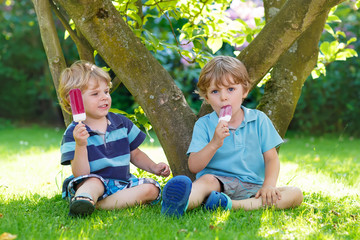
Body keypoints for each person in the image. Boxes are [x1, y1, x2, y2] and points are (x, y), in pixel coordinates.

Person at [161, 56, 303, 217]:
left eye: (230, 89)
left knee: (295, 193)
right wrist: (214, 143)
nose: (223, 97)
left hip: (254, 186)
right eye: (215, 91)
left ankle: (231, 205)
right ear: (207, 98)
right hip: (217, 183)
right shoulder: (204, 124)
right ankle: (179, 203)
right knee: (205, 182)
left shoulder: (259, 120)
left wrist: (269, 186)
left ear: (245, 91)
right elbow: (194, 166)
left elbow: (271, 158)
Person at [58, 61, 170, 217]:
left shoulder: (121, 123)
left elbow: (135, 154)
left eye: (106, 92)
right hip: (92, 183)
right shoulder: (74, 133)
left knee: (152, 189)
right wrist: (81, 144)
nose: (104, 97)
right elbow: (80, 174)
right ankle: (84, 199)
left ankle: (98, 206)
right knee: (93, 183)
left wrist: (153, 167)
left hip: (122, 183)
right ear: (74, 100)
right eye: (95, 94)